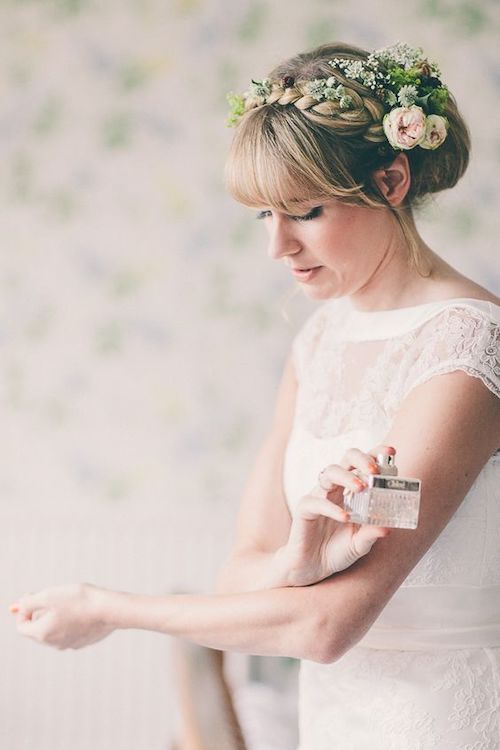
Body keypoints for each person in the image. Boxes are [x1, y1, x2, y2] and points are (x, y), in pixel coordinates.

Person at [9, 41, 500, 748]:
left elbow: (326, 627)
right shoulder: (319, 343)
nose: (278, 248)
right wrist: (294, 565)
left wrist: (106, 606)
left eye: (303, 211)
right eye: (262, 216)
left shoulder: (467, 348)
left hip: (448, 723)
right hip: (333, 721)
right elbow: (242, 572)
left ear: (392, 179)